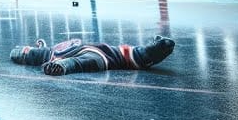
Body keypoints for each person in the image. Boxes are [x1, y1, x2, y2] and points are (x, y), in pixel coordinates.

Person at [10, 36, 176, 76]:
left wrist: (61, 66)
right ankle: (26, 52)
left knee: (81, 61)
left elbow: (78, 63)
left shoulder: (99, 59)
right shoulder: (121, 53)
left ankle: (26, 53)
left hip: (98, 55)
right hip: (108, 53)